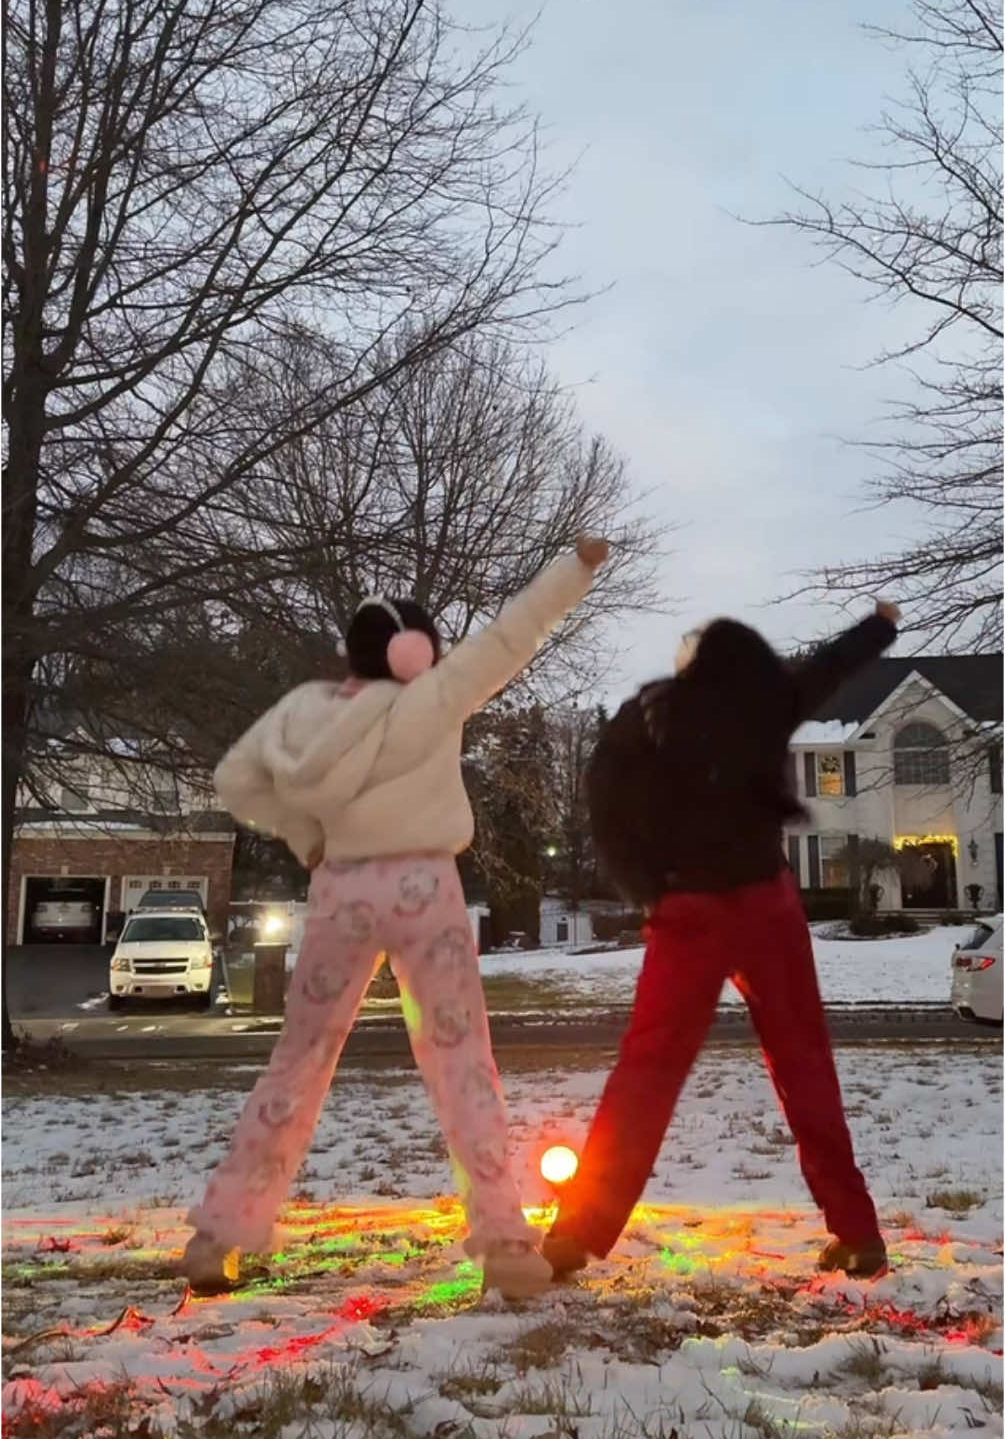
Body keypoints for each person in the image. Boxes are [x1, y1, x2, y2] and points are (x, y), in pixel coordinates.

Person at [183, 537, 610, 1299]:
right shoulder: (433, 695)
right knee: (462, 1065)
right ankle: (507, 1244)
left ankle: (219, 1233)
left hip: (340, 889)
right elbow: (515, 633)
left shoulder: (304, 712)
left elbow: (233, 781)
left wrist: (309, 833)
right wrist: (573, 568)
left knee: (299, 1059)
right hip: (425, 886)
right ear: (415, 653)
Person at [543, 602, 901, 1282]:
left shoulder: (646, 716)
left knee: (647, 1073)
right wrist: (879, 625)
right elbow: (830, 664)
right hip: (767, 903)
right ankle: (857, 1233)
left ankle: (579, 1231)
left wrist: (648, 888)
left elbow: (608, 811)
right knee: (804, 1065)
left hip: (689, 910)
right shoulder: (769, 702)